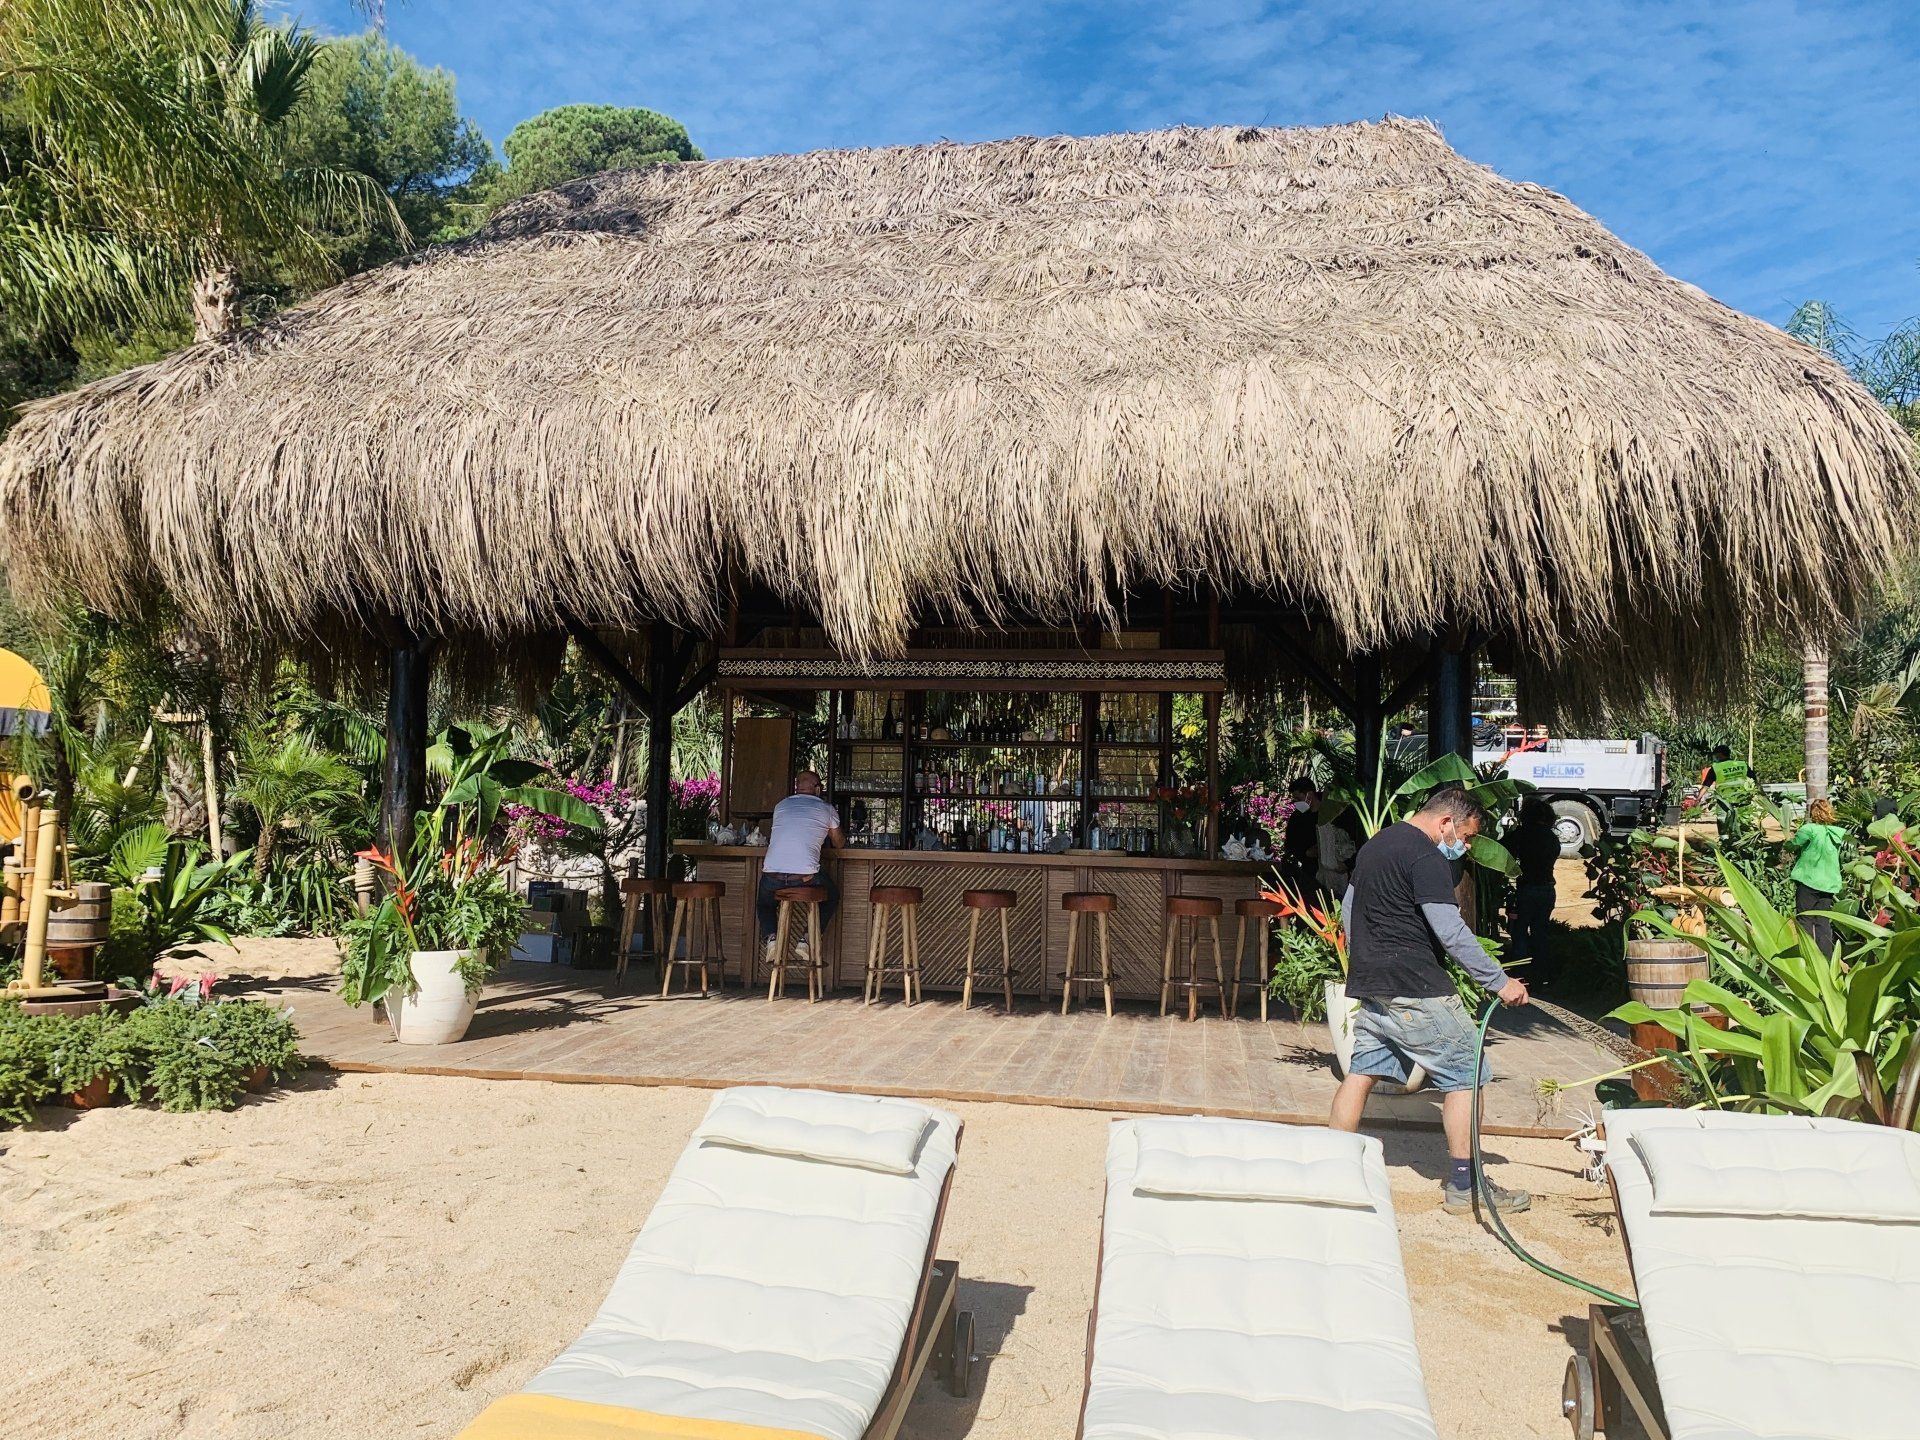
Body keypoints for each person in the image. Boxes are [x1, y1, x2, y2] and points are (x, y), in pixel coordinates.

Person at [1330, 787, 1532, 1215]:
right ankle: (1465, 1185)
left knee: (1361, 1072)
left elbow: (1349, 910)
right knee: (1467, 1075)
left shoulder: (1377, 845)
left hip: (1373, 984)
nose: (1467, 845)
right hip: (1416, 986)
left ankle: (1331, 1169)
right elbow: (1451, 932)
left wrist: (1367, 960)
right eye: (1467, 836)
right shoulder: (1426, 856)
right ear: (1445, 823)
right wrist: (1499, 982)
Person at [757, 770, 843, 967]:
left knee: (765, 904)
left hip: (772, 875)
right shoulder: (826, 809)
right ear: (818, 789)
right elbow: (838, 843)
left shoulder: (781, 805)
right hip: (805, 877)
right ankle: (807, 939)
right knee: (832, 896)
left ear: (797, 787)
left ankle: (772, 938)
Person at [1506, 797, 1561, 984]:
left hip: (1527, 888)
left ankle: (1520, 972)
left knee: (1520, 931)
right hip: (1547, 889)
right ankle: (1541, 973)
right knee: (1540, 931)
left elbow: (1505, 849)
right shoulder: (1552, 838)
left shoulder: (1523, 834)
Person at [1786, 797, 1846, 956]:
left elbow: (1794, 844)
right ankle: (1826, 958)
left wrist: (1787, 844)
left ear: (1812, 813)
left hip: (1809, 880)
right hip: (1829, 883)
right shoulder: (1835, 833)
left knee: (1805, 918)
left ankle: (1808, 955)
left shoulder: (1809, 829)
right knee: (1822, 920)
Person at [1280, 775, 1320, 897]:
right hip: (1305, 869)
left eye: (1298, 798)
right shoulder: (1297, 817)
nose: (1296, 803)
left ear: (1309, 794)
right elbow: (1290, 843)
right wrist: (1305, 853)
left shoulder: (1327, 815)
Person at [1315, 802, 1359, 898]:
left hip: (1347, 868)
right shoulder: (1325, 821)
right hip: (1331, 870)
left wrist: (1348, 863)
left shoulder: (1348, 817)